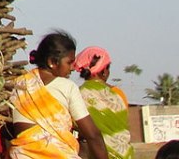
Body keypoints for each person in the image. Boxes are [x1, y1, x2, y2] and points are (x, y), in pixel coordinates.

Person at [8, 31, 109, 159]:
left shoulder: (19, 84)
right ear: (52, 62)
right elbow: (92, 135)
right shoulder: (67, 87)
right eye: (69, 62)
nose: (72, 68)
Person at [73, 46, 134, 159]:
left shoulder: (77, 95)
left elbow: (75, 125)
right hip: (125, 154)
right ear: (105, 70)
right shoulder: (118, 94)